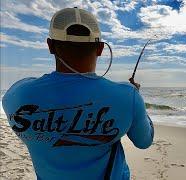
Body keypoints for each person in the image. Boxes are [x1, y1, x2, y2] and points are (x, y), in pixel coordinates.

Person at [2, 7, 154, 180]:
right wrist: (137, 97)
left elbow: (26, 83)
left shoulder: (16, 96)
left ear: (50, 46)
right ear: (100, 49)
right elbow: (144, 142)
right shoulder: (129, 97)